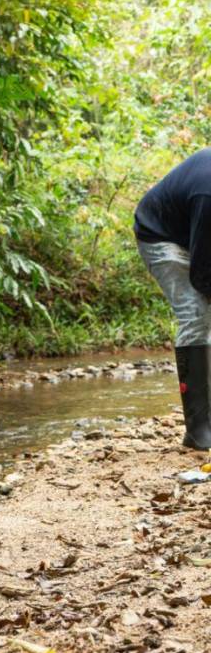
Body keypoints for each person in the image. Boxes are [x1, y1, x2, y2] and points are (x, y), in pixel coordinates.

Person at [134, 148, 211, 449]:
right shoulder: (207, 193)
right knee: (196, 313)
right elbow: (202, 273)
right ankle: (198, 430)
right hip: (160, 236)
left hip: (194, 231)